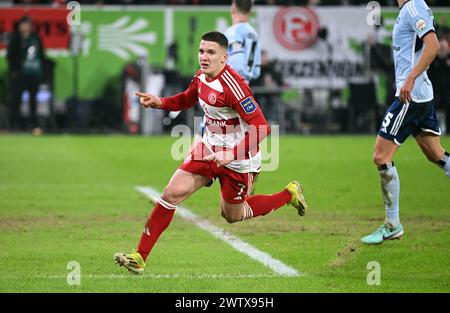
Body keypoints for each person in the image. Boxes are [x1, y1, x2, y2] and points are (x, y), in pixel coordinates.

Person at [114, 31, 308, 274]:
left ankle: (288, 194)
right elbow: (187, 98)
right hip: (207, 148)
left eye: (210, 53)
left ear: (224, 58)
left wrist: (230, 155)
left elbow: (262, 128)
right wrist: (161, 102)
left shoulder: (234, 87)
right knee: (171, 194)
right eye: (201, 51)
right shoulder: (200, 77)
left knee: (232, 215)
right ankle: (140, 257)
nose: (204, 57)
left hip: (239, 160)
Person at [361, 0, 450, 245]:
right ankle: (392, 224)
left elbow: (432, 46)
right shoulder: (410, 9)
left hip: (409, 97)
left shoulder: (413, 7)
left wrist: (410, 79)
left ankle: (392, 224)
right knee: (437, 155)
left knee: (381, 157)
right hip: (420, 95)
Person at [196, 0, 261, 138]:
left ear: (233, 9)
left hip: (228, 88)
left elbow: (235, 64)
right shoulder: (254, 34)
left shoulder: (232, 32)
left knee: (208, 131)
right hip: (245, 89)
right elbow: (256, 70)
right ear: (250, 11)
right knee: (235, 135)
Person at [7, 16, 45, 134]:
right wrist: (14, 71)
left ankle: (33, 124)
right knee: (16, 100)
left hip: (34, 73)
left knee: (33, 100)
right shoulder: (15, 38)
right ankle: (15, 125)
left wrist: (42, 71)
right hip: (20, 74)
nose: (25, 27)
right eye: (23, 24)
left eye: (27, 24)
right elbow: (10, 56)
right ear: (19, 26)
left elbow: (41, 55)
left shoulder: (36, 38)